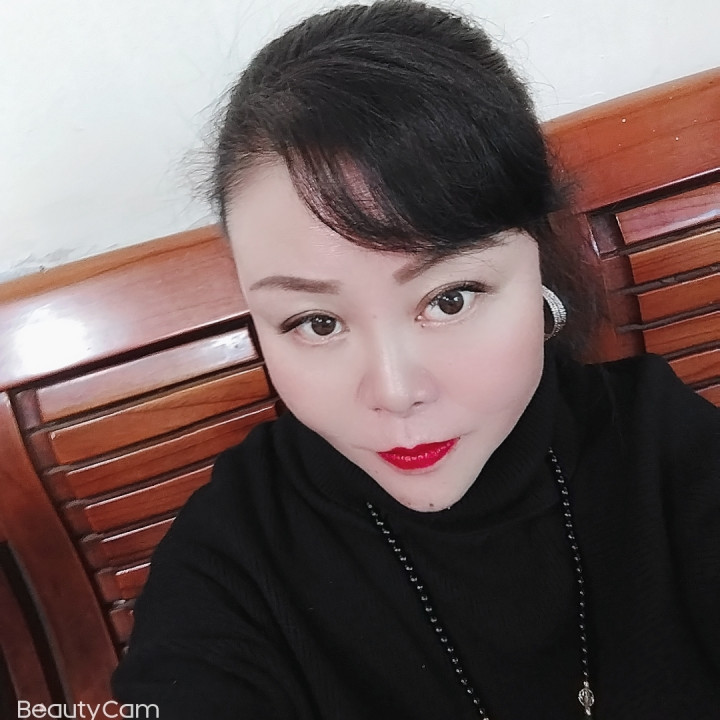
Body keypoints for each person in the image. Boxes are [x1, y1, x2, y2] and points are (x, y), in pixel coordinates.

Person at [111, 1, 720, 718]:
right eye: (316, 322)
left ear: (537, 263)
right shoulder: (232, 566)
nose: (395, 392)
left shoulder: (662, 452)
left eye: (450, 299)